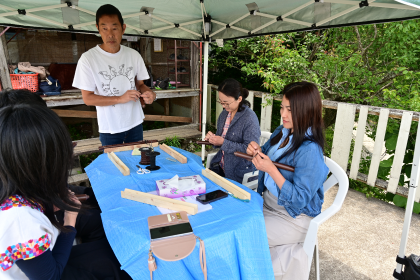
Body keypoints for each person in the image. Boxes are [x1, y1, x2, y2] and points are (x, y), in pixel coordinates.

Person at [0, 104, 131, 280]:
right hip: (50, 272)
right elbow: (50, 277)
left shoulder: (15, 188)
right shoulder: (20, 220)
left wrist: (48, 205)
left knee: (111, 249)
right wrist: (70, 219)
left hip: (48, 257)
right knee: (120, 263)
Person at [246, 82, 329, 280]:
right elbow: (265, 154)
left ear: (306, 110)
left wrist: (272, 170)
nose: (283, 114)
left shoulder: (310, 150)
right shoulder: (281, 132)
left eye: (289, 110)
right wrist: (256, 151)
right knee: (235, 220)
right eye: (282, 107)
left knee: (246, 236)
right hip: (267, 204)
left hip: (293, 217)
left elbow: (300, 199)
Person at [0, 89, 103, 243]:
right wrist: (64, 214)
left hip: (47, 196)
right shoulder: (19, 213)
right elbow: (49, 268)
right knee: (97, 220)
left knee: (97, 197)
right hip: (44, 210)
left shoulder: (17, 146)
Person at [73, 4, 156, 146]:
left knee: (138, 164)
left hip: (135, 123)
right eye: (104, 28)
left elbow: (140, 85)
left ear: (123, 28)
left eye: (114, 28)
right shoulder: (88, 59)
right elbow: (88, 98)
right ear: (98, 28)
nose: (110, 34)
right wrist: (120, 98)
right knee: (114, 166)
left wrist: (151, 94)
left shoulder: (133, 55)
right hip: (110, 128)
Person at [204, 78, 260, 183]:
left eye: (226, 103)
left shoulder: (249, 118)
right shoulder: (225, 114)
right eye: (221, 102)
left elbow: (250, 151)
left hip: (239, 172)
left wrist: (222, 142)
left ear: (239, 99)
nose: (224, 106)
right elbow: (221, 139)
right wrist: (212, 139)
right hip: (220, 166)